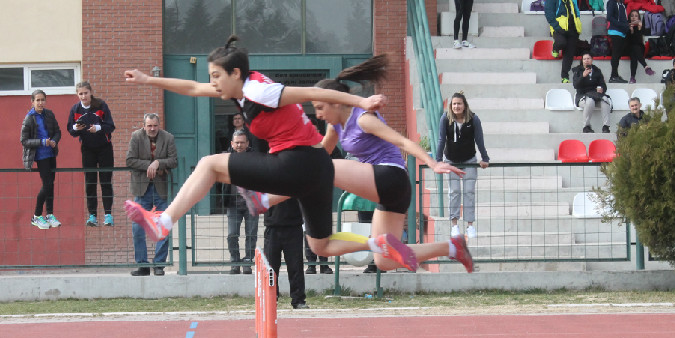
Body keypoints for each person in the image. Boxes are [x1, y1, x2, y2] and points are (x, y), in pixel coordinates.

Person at [123, 36, 419, 272]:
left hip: (298, 162)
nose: (211, 82)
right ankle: (378, 243)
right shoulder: (237, 90)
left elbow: (317, 94)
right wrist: (149, 80)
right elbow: (192, 87)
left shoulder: (261, 92)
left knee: (209, 165)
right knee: (321, 246)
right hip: (315, 167)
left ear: (235, 73)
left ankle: (164, 221)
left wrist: (361, 101)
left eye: (215, 76)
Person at [243, 55, 476, 272]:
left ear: (336, 102)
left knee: (322, 169)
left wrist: (433, 164)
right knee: (384, 259)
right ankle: (453, 247)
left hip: (391, 176)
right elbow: (319, 153)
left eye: (321, 108)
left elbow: (401, 141)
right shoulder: (336, 126)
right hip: (389, 193)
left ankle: (265, 199)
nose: (319, 115)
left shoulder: (363, 119)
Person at [126, 113, 178, 277]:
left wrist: (158, 163)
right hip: (141, 188)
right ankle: (142, 265)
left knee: (163, 226)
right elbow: (130, 160)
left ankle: (159, 265)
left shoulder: (168, 137)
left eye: (155, 125)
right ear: (144, 126)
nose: (152, 128)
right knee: (137, 228)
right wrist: (150, 165)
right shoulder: (136, 137)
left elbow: (174, 160)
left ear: (159, 125)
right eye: (149, 126)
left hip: (161, 188)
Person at [435, 93, 491, 240]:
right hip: (451, 161)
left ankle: (470, 225)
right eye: (454, 104)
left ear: (464, 105)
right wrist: (438, 160)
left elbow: (479, 139)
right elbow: (441, 140)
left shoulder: (473, 119)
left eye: (459, 104)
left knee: (469, 192)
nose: (456, 106)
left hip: (469, 161)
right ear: (451, 106)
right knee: (454, 192)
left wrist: (485, 158)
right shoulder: (445, 119)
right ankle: (454, 226)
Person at [67, 80, 116, 227]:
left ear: (91, 93)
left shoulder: (101, 105)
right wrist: (76, 127)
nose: (83, 96)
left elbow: (111, 126)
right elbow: (71, 130)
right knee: (90, 182)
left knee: (106, 181)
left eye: (85, 93)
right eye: (80, 94)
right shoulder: (75, 109)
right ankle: (92, 216)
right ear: (77, 94)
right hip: (87, 149)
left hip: (105, 148)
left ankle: (108, 215)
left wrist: (98, 128)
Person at [21, 90, 62, 230]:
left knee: (51, 184)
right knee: (47, 184)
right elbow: (24, 140)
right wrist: (42, 142)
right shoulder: (29, 118)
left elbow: (57, 131)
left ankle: (49, 214)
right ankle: (37, 216)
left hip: (51, 153)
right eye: (37, 100)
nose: (40, 103)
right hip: (40, 155)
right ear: (32, 102)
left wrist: (54, 141)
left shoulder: (49, 114)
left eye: (42, 100)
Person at [223, 129, 259, 274]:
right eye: (237, 142)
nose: (239, 145)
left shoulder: (255, 158)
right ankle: (235, 262)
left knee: (251, 235)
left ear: (247, 143)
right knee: (232, 235)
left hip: (251, 203)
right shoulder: (225, 158)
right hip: (232, 203)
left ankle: (247, 262)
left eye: (242, 142)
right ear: (232, 143)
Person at [264, 198, 308, 309]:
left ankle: (298, 300)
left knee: (296, 266)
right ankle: (270, 299)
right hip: (272, 225)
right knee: (271, 268)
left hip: (294, 225)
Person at [545, 0, 583, 83]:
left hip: (572, 29)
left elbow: (577, 12)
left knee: (569, 54)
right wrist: (557, 27)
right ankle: (555, 48)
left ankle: (564, 76)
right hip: (559, 29)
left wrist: (577, 24)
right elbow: (549, 15)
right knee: (561, 43)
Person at [573, 52, 613, 133]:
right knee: (590, 101)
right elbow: (576, 85)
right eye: (584, 59)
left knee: (605, 100)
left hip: (596, 95)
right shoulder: (578, 71)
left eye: (588, 58)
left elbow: (603, 85)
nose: (586, 60)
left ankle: (606, 126)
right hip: (582, 96)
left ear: (592, 60)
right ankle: (586, 127)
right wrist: (583, 76)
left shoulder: (597, 71)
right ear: (582, 61)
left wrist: (602, 89)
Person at [607, 0, 630, 83]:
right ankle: (613, 75)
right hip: (615, 31)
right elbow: (610, 17)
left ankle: (615, 74)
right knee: (615, 54)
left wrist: (627, 26)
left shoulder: (622, 4)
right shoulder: (612, 2)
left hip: (621, 32)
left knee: (618, 54)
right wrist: (622, 25)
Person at [625, 9, 655, 83]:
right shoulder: (626, 26)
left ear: (638, 18)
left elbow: (638, 41)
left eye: (636, 16)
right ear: (629, 17)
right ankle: (646, 66)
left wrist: (639, 29)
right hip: (628, 48)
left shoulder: (641, 26)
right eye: (632, 16)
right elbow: (627, 42)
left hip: (638, 48)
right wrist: (631, 31)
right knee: (633, 50)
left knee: (634, 51)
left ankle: (632, 77)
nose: (634, 18)